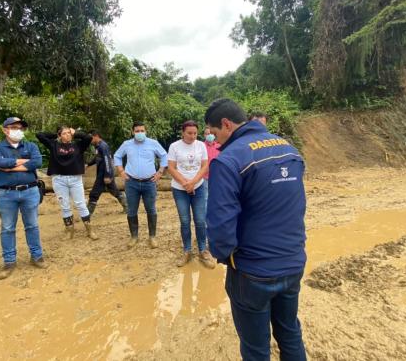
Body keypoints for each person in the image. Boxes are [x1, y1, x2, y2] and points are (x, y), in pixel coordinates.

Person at [205, 98, 307, 360]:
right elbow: (296, 206)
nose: (214, 141)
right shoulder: (290, 149)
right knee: (290, 333)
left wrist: (224, 255)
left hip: (253, 272)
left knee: (255, 347)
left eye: (214, 133)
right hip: (293, 262)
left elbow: (220, 225)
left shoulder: (228, 160)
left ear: (226, 124)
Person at [0, 117, 46, 280]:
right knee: (7, 228)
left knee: (32, 225)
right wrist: (24, 163)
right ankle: (9, 262)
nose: (18, 130)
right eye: (14, 127)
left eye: (20, 128)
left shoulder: (31, 146)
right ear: (5, 129)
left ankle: (37, 256)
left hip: (30, 191)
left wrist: (10, 166)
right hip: (6, 194)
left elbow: (38, 161)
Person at [167, 120, 215, 269]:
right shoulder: (174, 146)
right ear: (182, 132)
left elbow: (205, 165)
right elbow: (171, 168)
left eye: (195, 133)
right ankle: (187, 251)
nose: (193, 136)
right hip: (180, 189)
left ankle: (202, 250)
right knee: (185, 221)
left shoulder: (201, 145)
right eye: (189, 133)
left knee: (200, 220)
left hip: (199, 188)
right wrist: (185, 183)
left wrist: (193, 182)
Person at [36, 127, 97, 241]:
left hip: (75, 179)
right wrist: (56, 135)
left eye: (69, 133)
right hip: (59, 179)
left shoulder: (78, 145)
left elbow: (88, 137)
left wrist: (76, 133)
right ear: (60, 135)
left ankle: (90, 230)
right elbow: (39, 134)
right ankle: (69, 231)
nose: (68, 135)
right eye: (64, 133)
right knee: (65, 206)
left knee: (81, 204)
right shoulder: (54, 145)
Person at [114, 122, 167, 249]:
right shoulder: (127, 144)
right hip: (132, 182)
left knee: (151, 209)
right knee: (132, 210)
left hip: (150, 182)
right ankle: (134, 237)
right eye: (137, 131)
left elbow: (164, 156)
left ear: (145, 131)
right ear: (132, 132)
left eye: (142, 130)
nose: (140, 133)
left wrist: (160, 172)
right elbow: (117, 156)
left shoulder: (153, 143)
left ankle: (152, 237)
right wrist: (121, 171)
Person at [86, 131, 127, 214]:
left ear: (96, 136)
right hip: (104, 173)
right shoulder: (98, 146)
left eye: (90, 138)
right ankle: (127, 207)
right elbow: (97, 158)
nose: (89, 140)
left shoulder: (103, 146)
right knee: (114, 191)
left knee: (94, 194)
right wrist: (88, 164)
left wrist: (107, 175)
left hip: (104, 174)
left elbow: (107, 161)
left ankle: (87, 214)